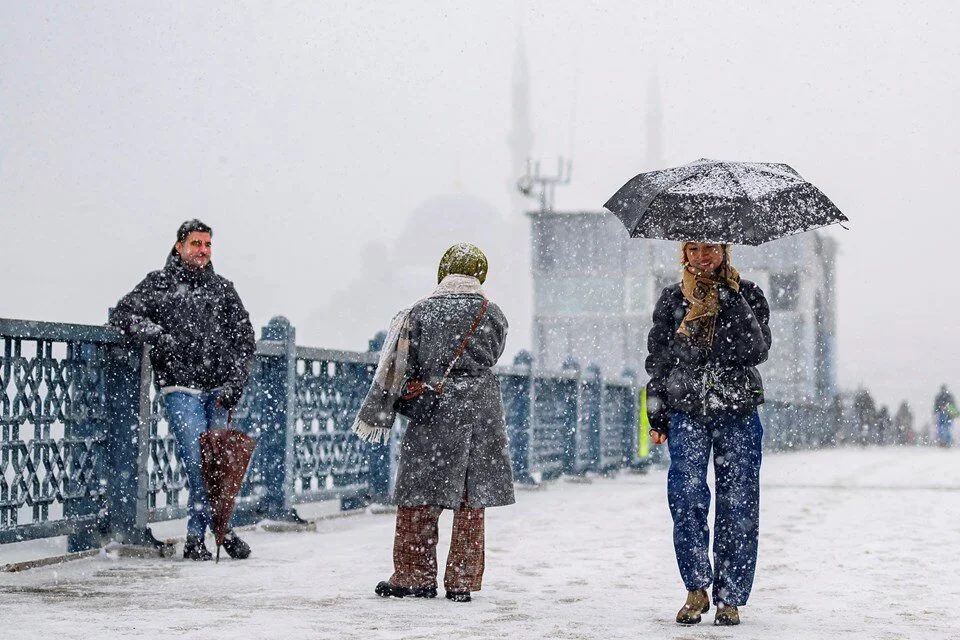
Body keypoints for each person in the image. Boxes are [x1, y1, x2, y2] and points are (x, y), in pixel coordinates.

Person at [352, 243, 515, 603]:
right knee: (471, 497)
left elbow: (405, 364)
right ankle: (461, 581)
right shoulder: (493, 313)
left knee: (420, 493)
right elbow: (496, 351)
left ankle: (414, 575)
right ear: (479, 273)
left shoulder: (420, 312)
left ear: (443, 271)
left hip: (436, 405)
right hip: (480, 409)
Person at [110, 219, 256, 561]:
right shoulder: (158, 284)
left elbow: (245, 339)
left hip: (219, 390)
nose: (202, 251)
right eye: (196, 244)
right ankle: (214, 532)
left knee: (218, 467)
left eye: (207, 245)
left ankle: (203, 536)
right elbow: (123, 315)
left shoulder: (222, 289)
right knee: (198, 464)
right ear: (179, 246)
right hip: (180, 388)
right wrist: (160, 337)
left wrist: (236, 382)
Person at [645, 241, 771, 626]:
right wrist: (657, 415)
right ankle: (696, 588)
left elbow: (757, 350)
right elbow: (659, 362)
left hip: (736, 409)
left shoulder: (747, 294)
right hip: (687, 411)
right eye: (695, 248)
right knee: (686, 497)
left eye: (712, 249)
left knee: (739, 502)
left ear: (725, 251)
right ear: (685, 253)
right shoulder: (672, 299)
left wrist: (732, 302)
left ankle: (730, 596)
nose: (704, 257)